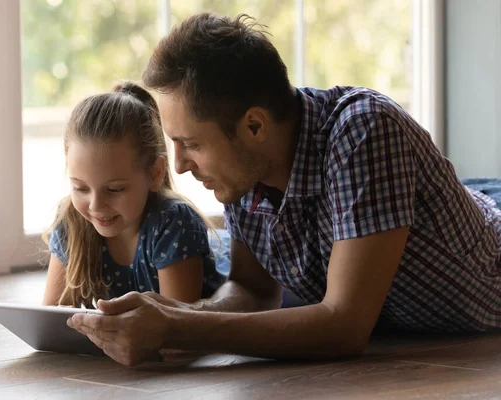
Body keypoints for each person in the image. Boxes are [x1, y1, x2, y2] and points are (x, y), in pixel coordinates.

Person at [67, 13, 501, 366]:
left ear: (254, 125)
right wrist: (172, 312)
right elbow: (252, 290)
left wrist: (181, 328)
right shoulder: (242, 173)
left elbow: (344, 326)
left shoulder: (365, 129)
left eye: (192, 144)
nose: (178, 165)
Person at [41, 81, 226, 308]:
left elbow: (177, 328)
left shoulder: (173, 222)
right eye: (81, 188)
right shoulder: (71, 220)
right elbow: (51, 320)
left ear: (156, 173)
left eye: (115, 189)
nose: (96, 205)